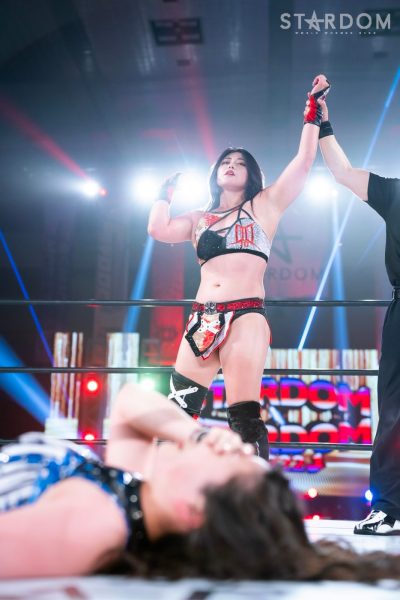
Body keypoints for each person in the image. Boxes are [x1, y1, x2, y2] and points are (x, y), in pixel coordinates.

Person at [2, 384, 400, 582]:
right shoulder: (133, 497)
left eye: (232, 458)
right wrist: (196, 434)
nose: (229, 444)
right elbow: (129, 401)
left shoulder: (92, 524)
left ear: (193, 512)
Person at [147, 74, 330, 460]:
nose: (231, 166)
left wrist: (312, 112)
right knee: (177, 413)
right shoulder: (198, 217)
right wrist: (163, 193)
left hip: (245, 314)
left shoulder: (265, 205)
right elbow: (158, 230)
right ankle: (162, 489)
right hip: (203, 318)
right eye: (226, 162)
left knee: (243, 414)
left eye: (239, 163)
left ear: (251, 174)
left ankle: (255, 494)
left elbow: (303, 162)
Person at [318, 97, 400, 535]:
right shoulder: (395, 191)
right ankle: (389, 508)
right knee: (394, 411)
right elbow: (343, 172)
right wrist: (323, 124)